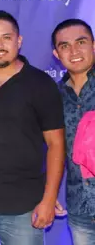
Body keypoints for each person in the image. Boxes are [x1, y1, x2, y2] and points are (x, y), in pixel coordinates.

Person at [0, 11, 65, 245]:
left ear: (19, 41)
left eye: (6, 37)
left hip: (24, 208)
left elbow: (56, 144)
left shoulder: (41, 84)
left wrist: (49, 200)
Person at [52, 19, 95, 245]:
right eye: (64, 45)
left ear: (93, 45)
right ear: (56, 54)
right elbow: (49, 147)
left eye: (81, 42)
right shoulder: (54, 97)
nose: (74, 51)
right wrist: (47, 193)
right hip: (80, 210)